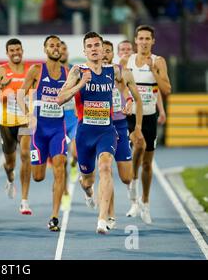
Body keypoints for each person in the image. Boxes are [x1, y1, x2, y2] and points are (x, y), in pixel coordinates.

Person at [58, 32, 122, 234]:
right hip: (85, 133)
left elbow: (126, 86)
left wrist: (128, 101)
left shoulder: (114, 71)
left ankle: (102, 219)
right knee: (88, 180)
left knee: (105, 167)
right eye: (90, 46)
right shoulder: (77, 71)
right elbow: (60, 99)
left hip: (106, 130)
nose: (94, 49)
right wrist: (80, 84)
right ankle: (87, 190)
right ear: (84, 51)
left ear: (104, 50)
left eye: (97, 45)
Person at [121, 25, 171, 224]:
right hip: (131, 116)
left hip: (150, 115)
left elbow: (167, 88)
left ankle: (145, 202)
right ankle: (133, 183)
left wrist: (153, 71)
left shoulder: (159, 61)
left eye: (147, 39)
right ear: (135, 41)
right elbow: (121, 86)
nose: (143, 42)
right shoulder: (127, 61)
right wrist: (128, 99)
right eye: (140, 38)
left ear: (153, 41)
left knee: (148, 164)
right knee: (138, 145)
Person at [18, 35, 67, 231]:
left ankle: (55, 216)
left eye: (58, 45)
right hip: (39, 130)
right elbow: (21, 94)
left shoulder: (67, 72)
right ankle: (42, 168)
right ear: (45, 49)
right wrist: (28, 114)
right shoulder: (36, 70)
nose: (55, 48)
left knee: (60, 167)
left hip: (58, 129)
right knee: (38, 176)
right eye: (51, 45)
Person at [0, 38, 32, 215]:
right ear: (7, 53)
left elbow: (35, 94)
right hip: (6, 123)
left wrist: (33, 113)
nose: (15, 53)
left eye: (18, 49)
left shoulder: (30, 70)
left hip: (24, 120)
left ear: (22, 51)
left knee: (25, 154)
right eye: (12, 50)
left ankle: (24, 200)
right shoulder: (1, 71)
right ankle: (10, 178)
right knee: (10, 163)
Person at [102, 40, 144, 230]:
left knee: (126, 177)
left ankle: (132, 195)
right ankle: (109, 216)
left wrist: (137, 126)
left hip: (120, 125)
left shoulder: (122, 73)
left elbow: (136, 98)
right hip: (102, 127)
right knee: (106, 170)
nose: (104, 54)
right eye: (101, 51)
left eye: (108, 51)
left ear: (112, 54)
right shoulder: (89, 74)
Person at [58, 41, 78, 212]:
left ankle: (75, 164)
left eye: (64, 49)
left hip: (74, 117)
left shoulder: (75, 70)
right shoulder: (52, 72)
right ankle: (64, 193)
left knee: (76, 152)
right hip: (59, 120)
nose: (62, 52)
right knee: (61, 160)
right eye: (59, 49)